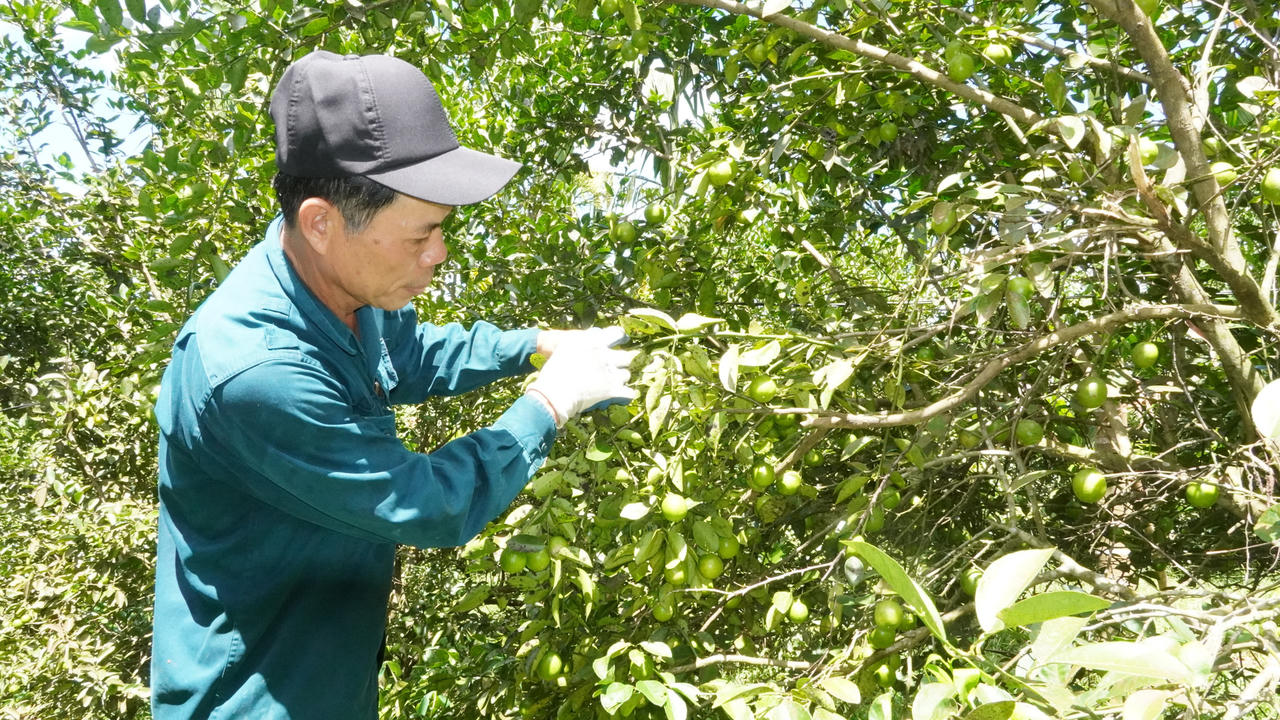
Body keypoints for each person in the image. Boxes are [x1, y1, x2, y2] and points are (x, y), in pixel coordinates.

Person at [149, 50, 637, 719]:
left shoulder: (339, 285)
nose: (438, 254)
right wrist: (549, 403)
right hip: (257, 701)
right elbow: (426, 504)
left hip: (333, 680)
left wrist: (536, 345)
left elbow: (408, 353)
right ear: (321, 222)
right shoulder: (256, 371)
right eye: (420, 235)